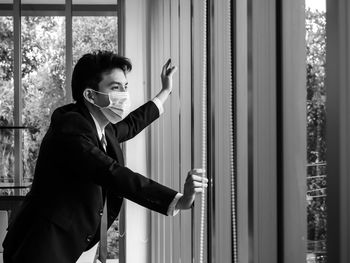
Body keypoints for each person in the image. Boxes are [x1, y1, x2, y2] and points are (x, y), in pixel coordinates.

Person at [2, 51, 207, 263]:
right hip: (40, 246)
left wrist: (165, 91)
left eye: (125, 87)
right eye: (115, 88)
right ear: (90, 95)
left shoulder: (100, 127)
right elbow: (111, 173)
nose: (124, 95)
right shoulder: (71, 127)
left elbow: (131, 124)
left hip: (70, 242)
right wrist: (177, 201)